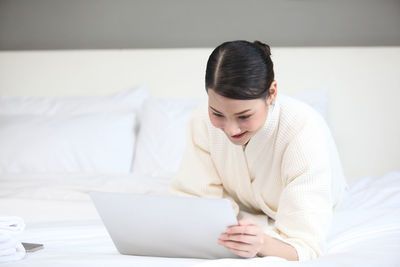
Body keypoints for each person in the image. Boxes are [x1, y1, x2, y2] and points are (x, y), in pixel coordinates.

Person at [169, 40, 348, 261]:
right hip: (246, 213)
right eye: (217, 113)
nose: (231, 129)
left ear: (272, 93)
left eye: (244, 116)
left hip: (308, 205)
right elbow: (197, 203)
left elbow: (305, 246)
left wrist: (261, 242)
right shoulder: (201, 120)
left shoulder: (302, 129)